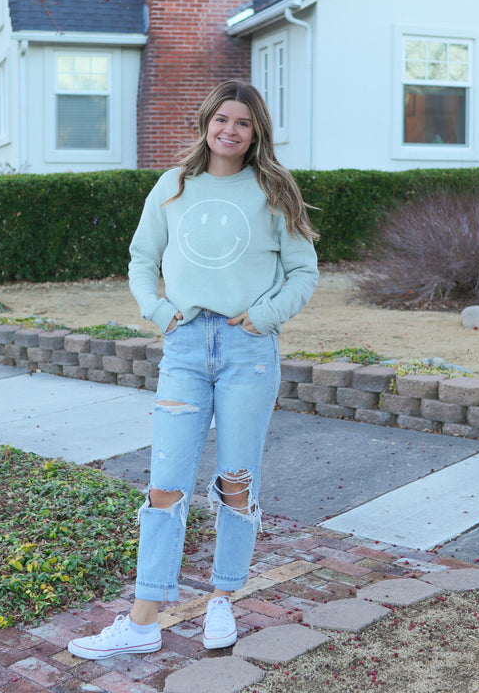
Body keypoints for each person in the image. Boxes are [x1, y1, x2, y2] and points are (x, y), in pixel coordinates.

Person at [68, 79, 319, 660]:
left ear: (256, 132)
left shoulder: (273, 190)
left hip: (246, 353)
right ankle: (142, 620)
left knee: (237, 481)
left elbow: (304, 270)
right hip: (185, 350)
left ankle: (223, 601)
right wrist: (159, 312)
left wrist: (263, 317)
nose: (230, 130)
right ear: (206, 122)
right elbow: (140, 258)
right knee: (164, 484)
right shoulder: (173, 186)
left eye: (243, 123)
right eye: (221, 119)